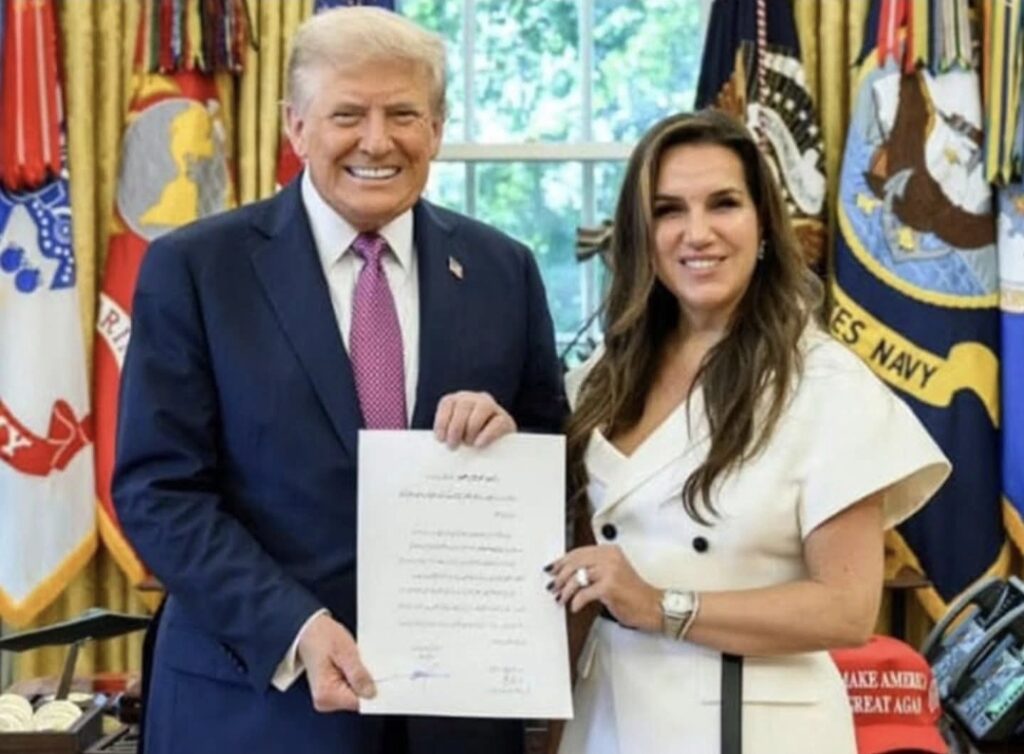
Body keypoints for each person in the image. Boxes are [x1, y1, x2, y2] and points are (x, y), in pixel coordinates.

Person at [112, 7, 565, 754]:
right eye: (348, 114)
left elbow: (551, 456)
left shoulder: (503, 270)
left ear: (438, 128)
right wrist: (294, 627)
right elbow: (157, 492)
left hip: (454, 716)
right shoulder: (197, 270)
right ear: (296, 127)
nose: (377, 141)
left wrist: (508, 440)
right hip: (254, 707)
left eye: (403, 115)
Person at [547, 109, 950, 754]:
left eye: (724, 204)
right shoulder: (602, 375)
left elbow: (846, 609)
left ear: (764, 224)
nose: (697, 233)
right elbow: (575, 573)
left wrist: (660, 604)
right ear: (642, 233)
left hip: (751, 727)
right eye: (669, 210)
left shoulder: (824, 384)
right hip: (607, 717)